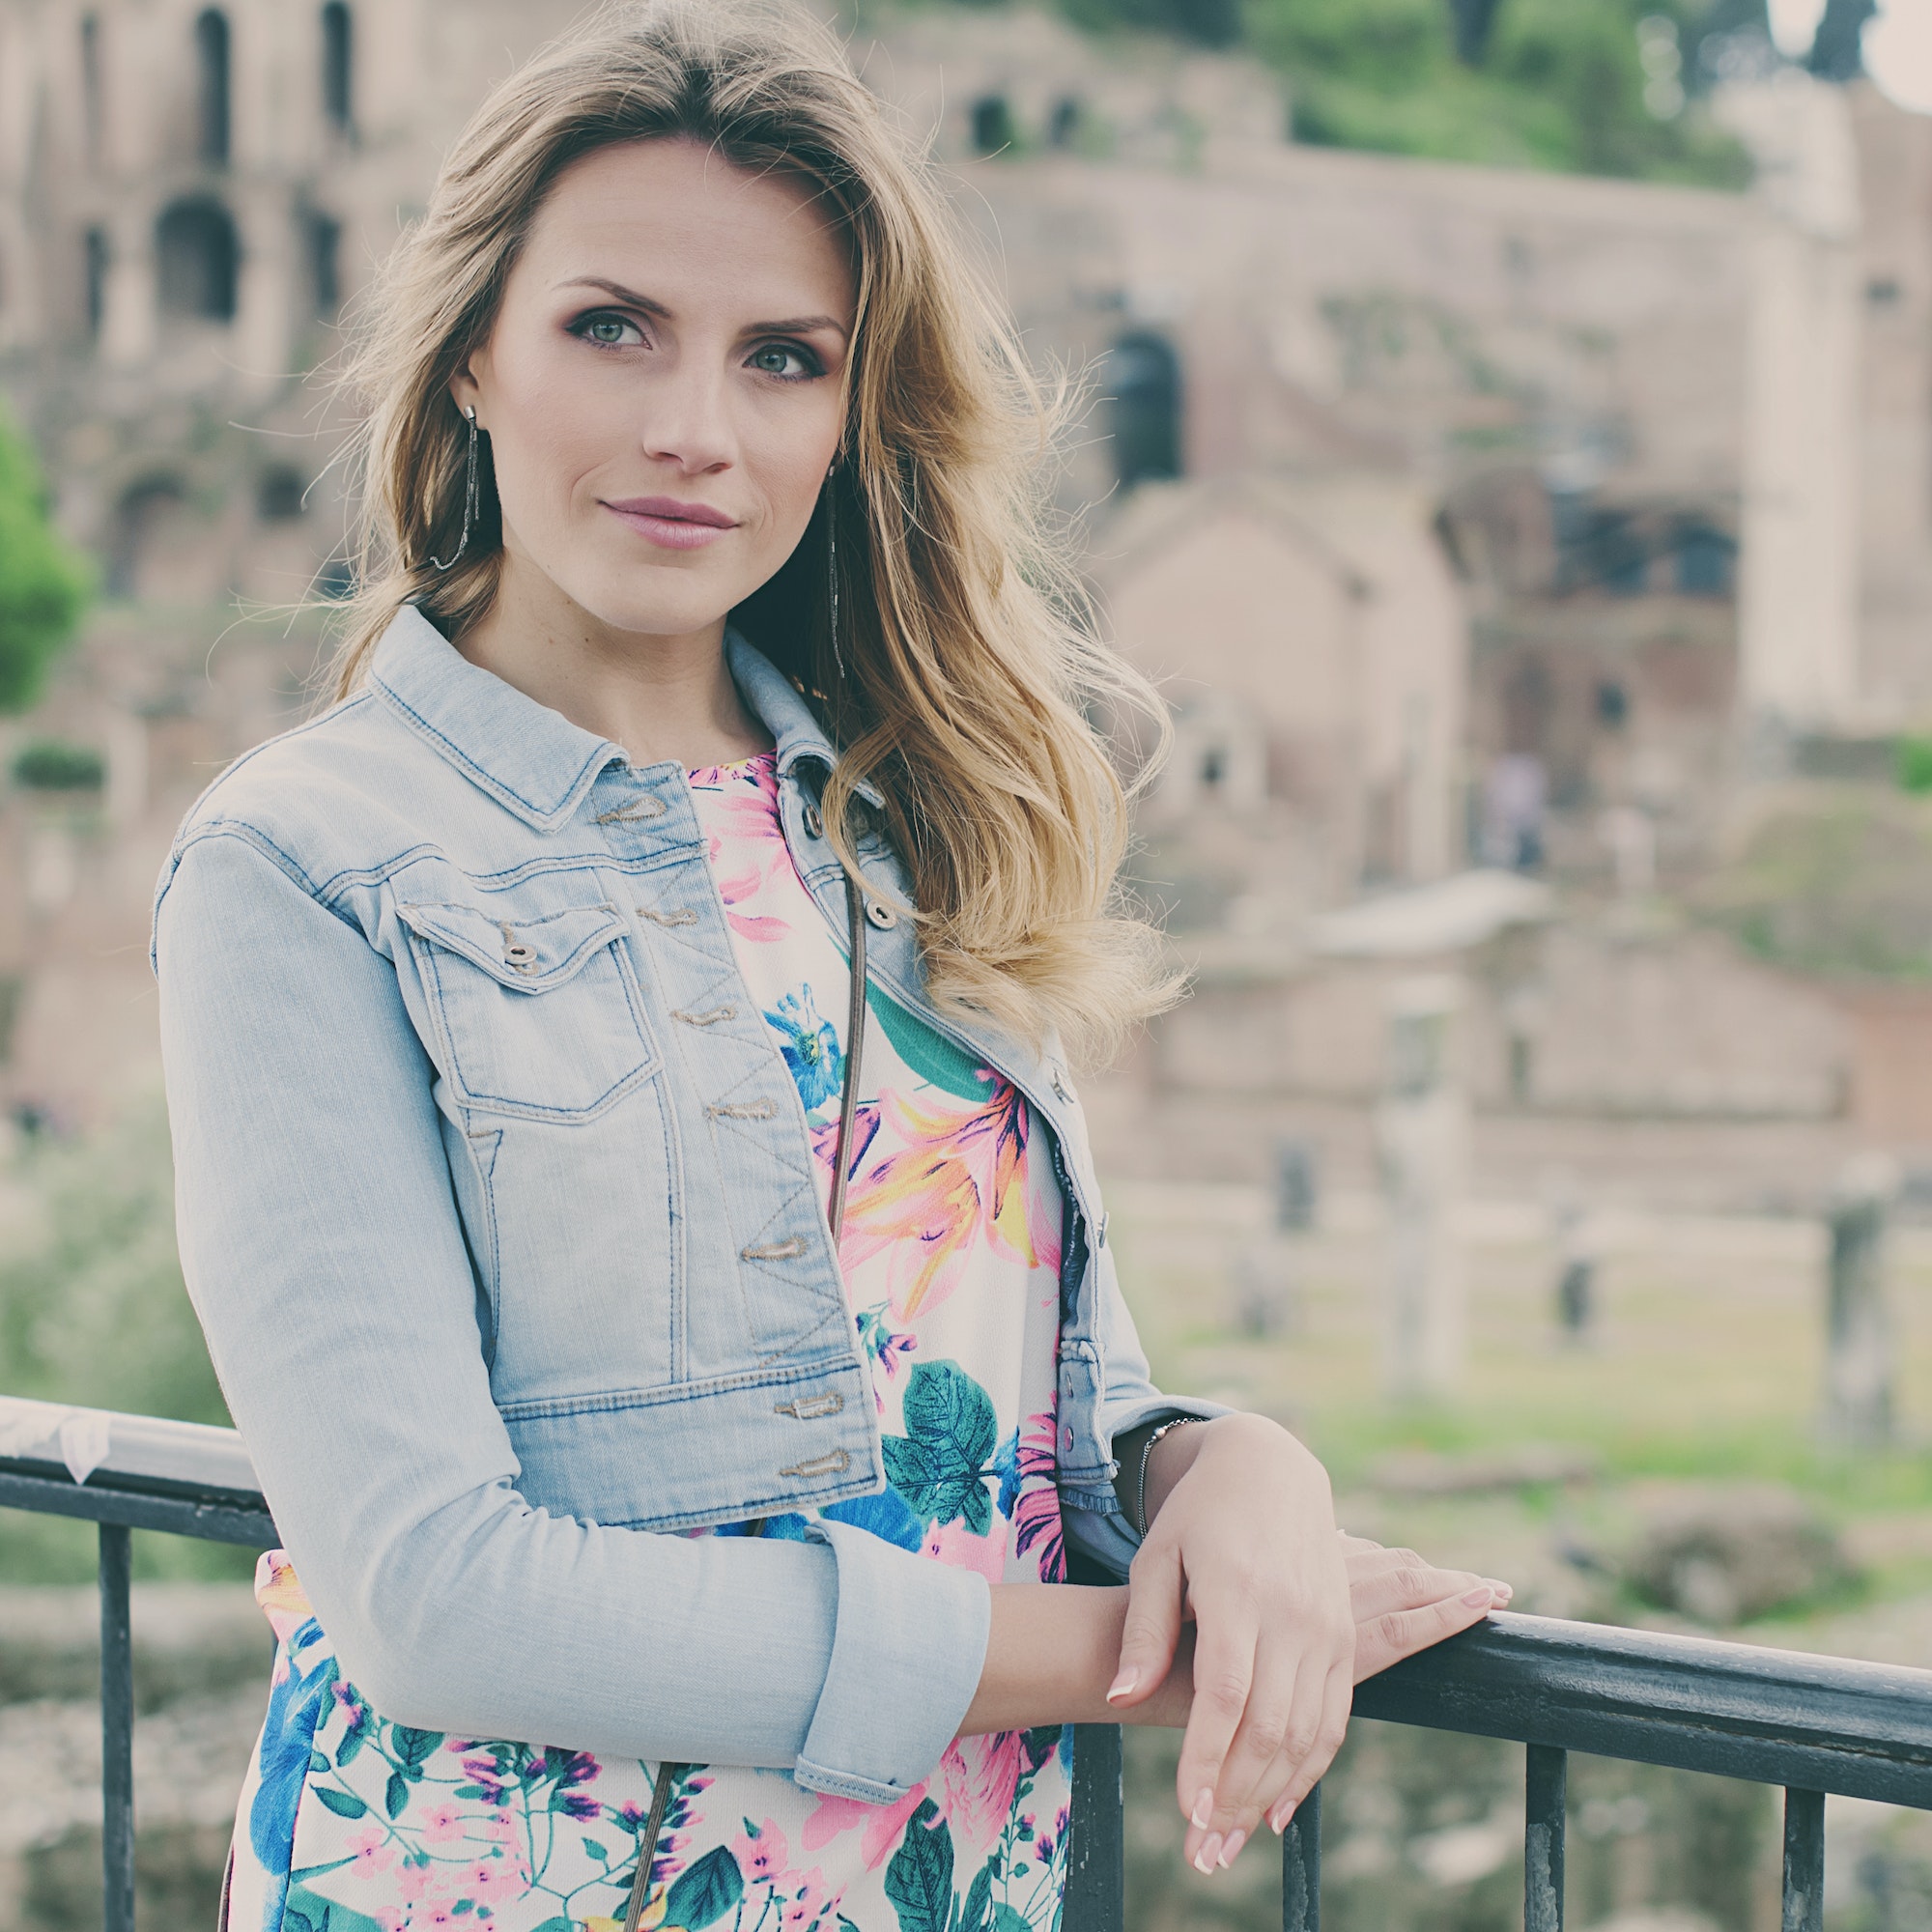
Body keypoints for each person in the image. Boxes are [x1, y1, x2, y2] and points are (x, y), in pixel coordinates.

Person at [152, 7, 1509, 1928]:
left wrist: (1237, 1470)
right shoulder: (306, 860)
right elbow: (435, 1597)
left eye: (781, 358)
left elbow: (1030, 1406)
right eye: (611, 325)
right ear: (469, 355)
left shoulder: (908, 825)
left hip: (948, 1885)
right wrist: (1131, 1649)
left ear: (850, 416)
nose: (694, 427)